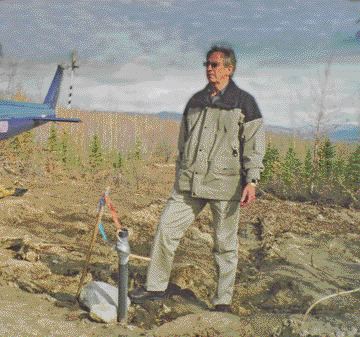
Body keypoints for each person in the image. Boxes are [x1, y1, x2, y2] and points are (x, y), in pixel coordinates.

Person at [130, 45, 265, 313]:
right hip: (189, 184)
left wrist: (252, 180)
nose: (209, 69)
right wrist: (181, 171)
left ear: (230, 69)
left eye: (215, 65)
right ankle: (155, 287)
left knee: (225, 246)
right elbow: (183, 143)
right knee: (166, 230)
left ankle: (222, 302)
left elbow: (254, 145)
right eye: (207, 64)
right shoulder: (195, 101)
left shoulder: (244, 103)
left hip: (225, 186)